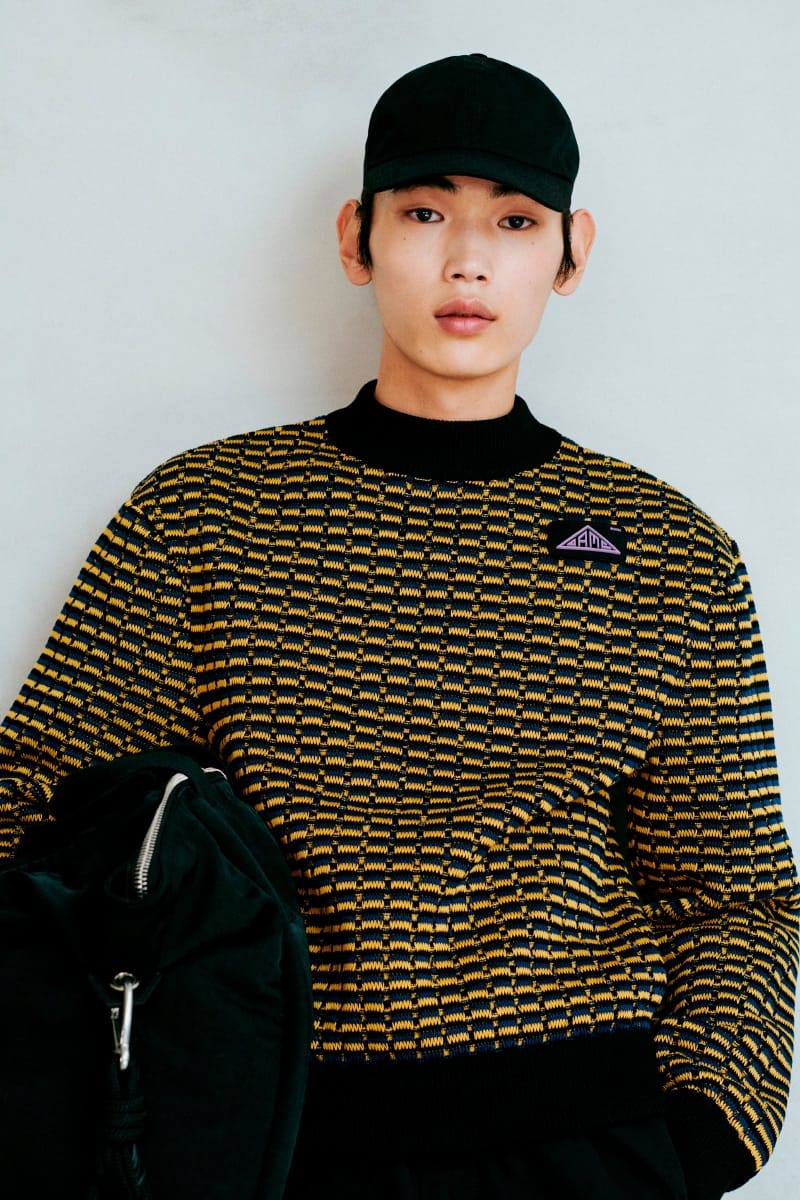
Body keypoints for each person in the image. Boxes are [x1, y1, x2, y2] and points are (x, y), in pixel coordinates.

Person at [0, 52, 797, 1200]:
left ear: (570, 253)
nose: (467, 260)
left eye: (513, 221)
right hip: (265, 1138)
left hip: (586, 1135)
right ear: (355, 238)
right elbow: (31, 802)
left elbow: (731, 890)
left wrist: (699, 1135)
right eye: (423, 213)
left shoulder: (668, 552)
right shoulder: (207, 514)